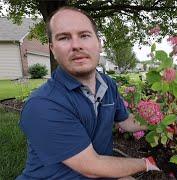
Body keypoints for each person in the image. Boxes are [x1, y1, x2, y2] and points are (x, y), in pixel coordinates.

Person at [17, 6, 159, 179]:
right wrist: (147, 163)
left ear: (99, 44)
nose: (76, 45)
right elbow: (92, 167)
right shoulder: (42, 105)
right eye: (64, 38)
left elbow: (126, 122)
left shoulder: (108, 85)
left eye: (84, 35)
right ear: (53, 50)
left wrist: (160, 120)